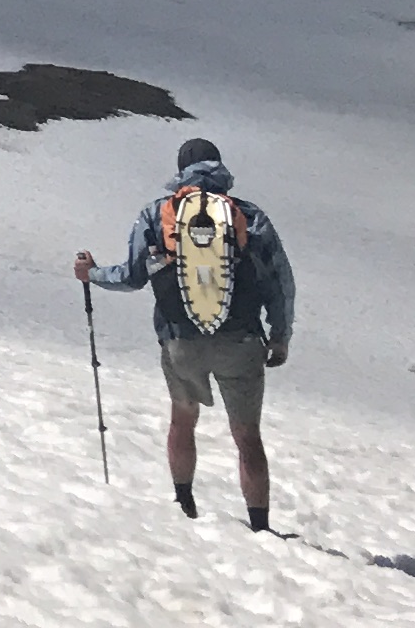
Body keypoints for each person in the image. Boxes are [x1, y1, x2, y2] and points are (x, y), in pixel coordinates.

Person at [74, 135, 295, 529]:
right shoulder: (249, 215)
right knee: (247, 436)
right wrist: (280, 335)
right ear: (220, 168)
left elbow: (133, 276)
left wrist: (90, 273)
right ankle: (260, 526)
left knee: (183, 418)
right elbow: (279, 282)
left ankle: (183, 505)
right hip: (240, 340)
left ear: (181, 171)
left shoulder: (158, 214)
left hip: (180, 339)